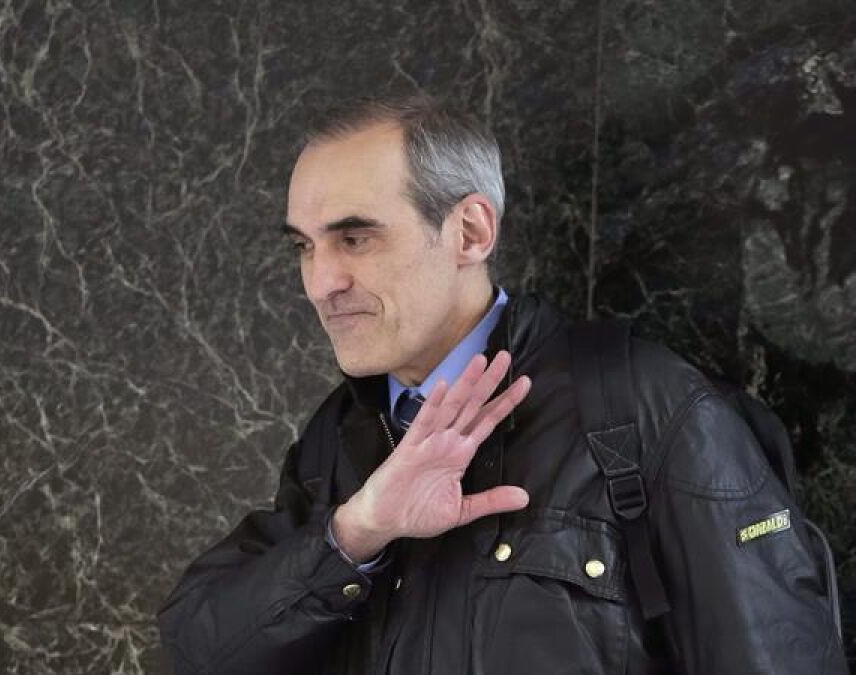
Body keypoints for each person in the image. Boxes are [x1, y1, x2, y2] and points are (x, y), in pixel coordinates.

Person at [157, 93, 847, 674]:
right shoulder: (339, 434)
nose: (320, 283)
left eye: (355, 238)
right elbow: (198, 647)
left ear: (470, 231)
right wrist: (355, 533)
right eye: (304, 246)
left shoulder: (645, 408)